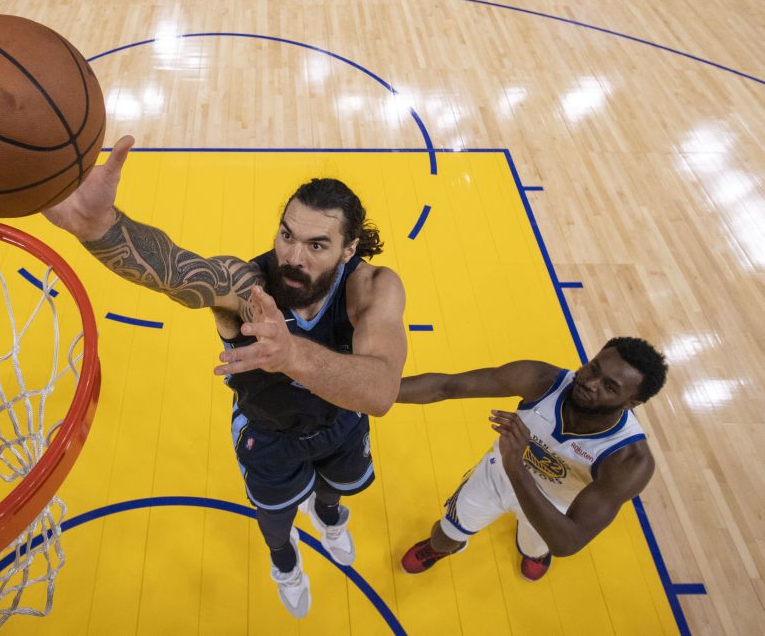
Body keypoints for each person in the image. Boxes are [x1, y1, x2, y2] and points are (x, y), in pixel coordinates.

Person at [43, 136, 407, 618]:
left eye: (317, 245)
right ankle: (285, 564)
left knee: (334, 488)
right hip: (270, 434)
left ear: (349, 249)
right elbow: (176, 271)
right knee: (275, 522)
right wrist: (101, 228)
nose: (293, 256)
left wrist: (290, 353)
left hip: (340, 425)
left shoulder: (374, 286)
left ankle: (327, 517)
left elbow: (381, 391)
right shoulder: (248, 286)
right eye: (286, 235)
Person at [396, 337, 667, 581]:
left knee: (536, 547)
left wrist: (516, 466)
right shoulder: (542, 380)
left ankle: (534, 552)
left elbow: (568, 542)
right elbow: (446, 387)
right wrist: (372, 392)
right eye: (594, 368)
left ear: (633, 403)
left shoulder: (630, 460)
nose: (589, 382)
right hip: (497, 477)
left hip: (556, 507)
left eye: (609, 386)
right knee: (443, 536)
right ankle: (442, 549)